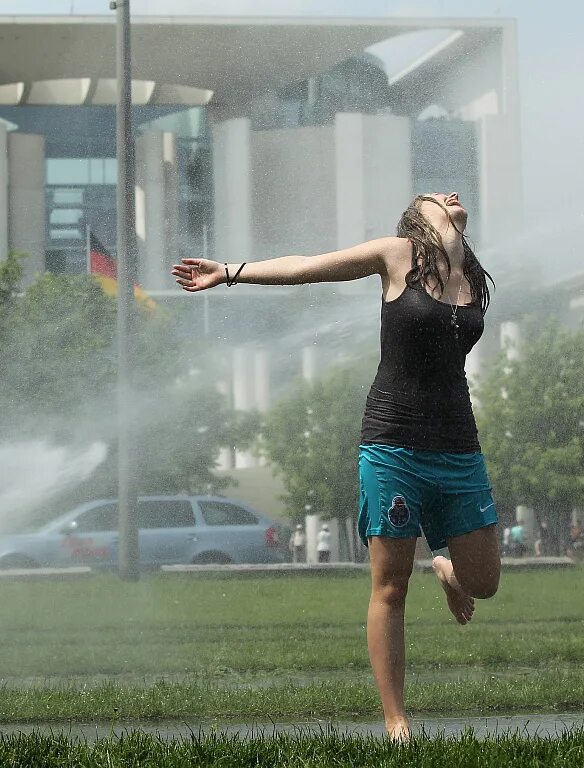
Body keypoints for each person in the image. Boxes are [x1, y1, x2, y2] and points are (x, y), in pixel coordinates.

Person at [171, 192, 501, 742]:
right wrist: (229, 272)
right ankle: (397, 720)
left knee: (484, 583)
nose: (451, 197)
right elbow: (306, 267)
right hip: (392, 442)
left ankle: (444, 568)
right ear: (418, 217)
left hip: (458, 446)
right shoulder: (397, 255)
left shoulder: (470, 274)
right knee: (389, 586)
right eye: (436, 196)